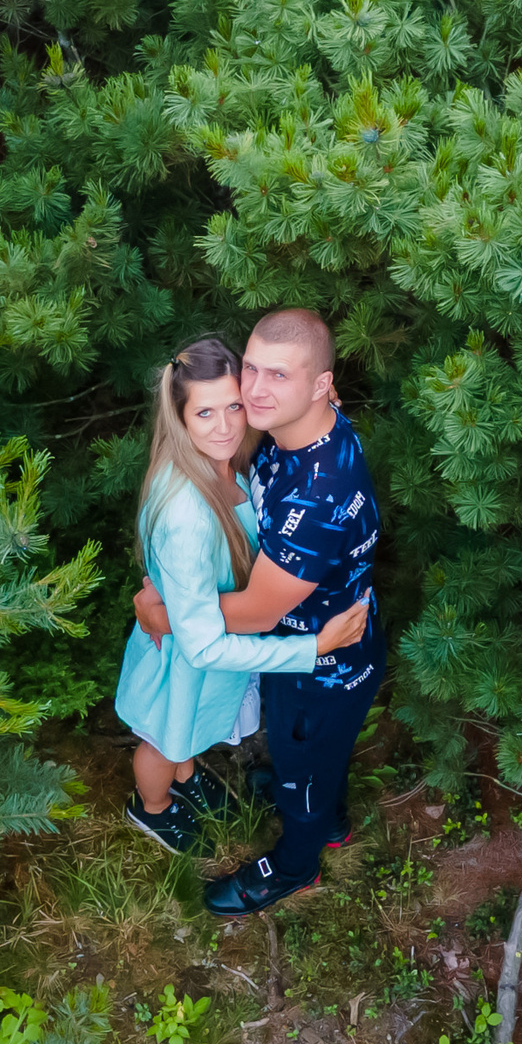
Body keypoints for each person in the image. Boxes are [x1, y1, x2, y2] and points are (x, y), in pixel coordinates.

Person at [136, 309, 381, 915]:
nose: (254, 389)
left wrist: (165, 613)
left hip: (321, 661)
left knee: (300, 759)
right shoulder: (301, 425)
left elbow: (248, 613)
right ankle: (328, 817)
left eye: (278, 375)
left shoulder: (317, 494)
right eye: (251, 368)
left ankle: (295, 866)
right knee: (311, 760)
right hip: (318, 645)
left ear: (321, 385)